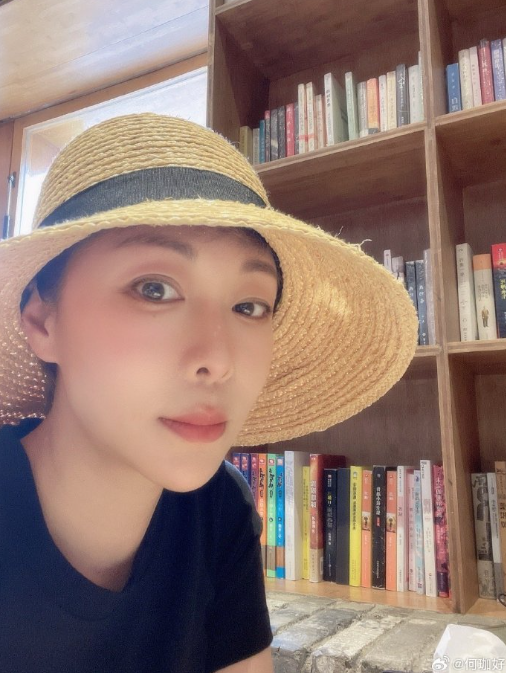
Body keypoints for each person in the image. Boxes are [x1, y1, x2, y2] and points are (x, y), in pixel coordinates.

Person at [0, 113, 418, 673]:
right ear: (42, 321)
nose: (218, 361)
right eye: (154, 289)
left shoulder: (219, 508)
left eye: (249, 305)